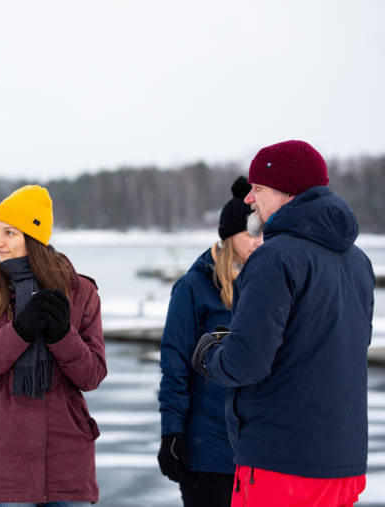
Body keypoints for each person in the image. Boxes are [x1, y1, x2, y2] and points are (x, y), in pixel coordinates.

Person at [191, 140, 375, 506]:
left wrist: (211, 354)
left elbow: (246, 363)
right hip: (343, 462)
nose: (249, 199)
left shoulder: (274, 259)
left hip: (282, 465)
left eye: (258, 188)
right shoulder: (357, 260)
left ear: (288, 192)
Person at [0, 184, 107, 507]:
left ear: (34, 236)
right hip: (2, 459)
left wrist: (61, 335)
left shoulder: (81, 292)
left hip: (66, 461)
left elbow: (91, 375)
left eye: (10, 232)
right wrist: (19, 331)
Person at [157, 175, 263, 507]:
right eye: (251, 235)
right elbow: (174, 363)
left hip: (261, 451)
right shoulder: (194, 287)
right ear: (230, 236)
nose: (259, 242)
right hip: (207, 450)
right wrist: (171, 433)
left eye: (263, 234)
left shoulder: (266, 283)